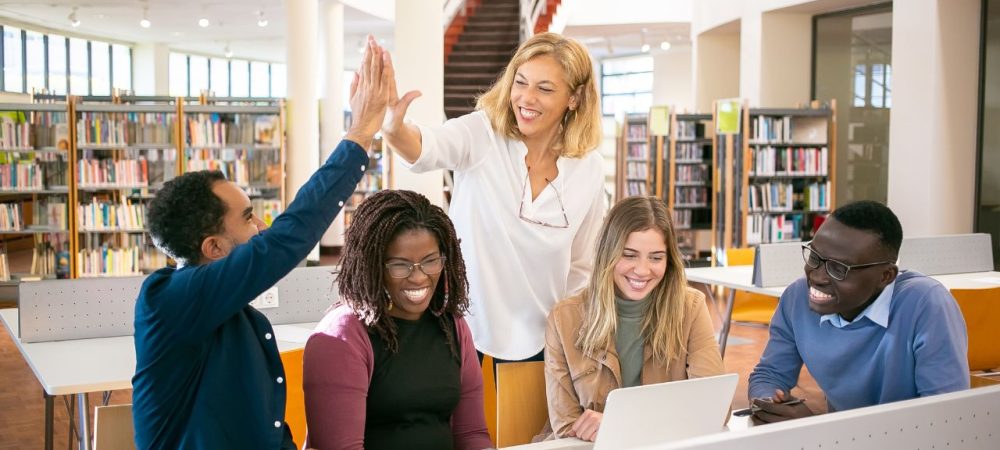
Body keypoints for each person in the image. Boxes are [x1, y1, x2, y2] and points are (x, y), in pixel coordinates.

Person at [131, 37, 390, 449]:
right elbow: (289, 236)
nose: (262, 225)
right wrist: (360, 133)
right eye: (249, 217)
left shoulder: (230, 311)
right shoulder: (170, 300)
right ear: (213, 248)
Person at [373, 32, 607, 363]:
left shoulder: (589, 168)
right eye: (520, 82)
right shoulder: (483, 134)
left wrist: (569, 337)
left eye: (544, 88)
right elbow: (427, 147)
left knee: (525, 418)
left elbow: (583, 266)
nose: (526, 98)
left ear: (575, 98)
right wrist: (394, 128)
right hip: (463, 330)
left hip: (544, 341)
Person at [302, 190, 493, 450]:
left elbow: (472, 434)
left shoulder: (452, 326)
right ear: (373, 265)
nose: (418, 278)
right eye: (400, 265)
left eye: (430, 261)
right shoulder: (342, 336)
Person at [748, 200, 969, 425]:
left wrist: (817, 429)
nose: (817, 276)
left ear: (886, 276)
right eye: (814, 257)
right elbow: (770, 374)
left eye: (838, 268)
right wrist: (768, 401)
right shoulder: (797, 297)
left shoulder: (926, 304)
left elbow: (945, 420)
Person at [543, 196, 725, 441]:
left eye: (656, 257)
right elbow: (566, 427)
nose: (642, 270)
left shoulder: (691, 308)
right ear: (608, 254)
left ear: (669, 260)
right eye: (629, 255)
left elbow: (714, 408)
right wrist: (657, 422)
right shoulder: (564, 318)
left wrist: (618, 424)